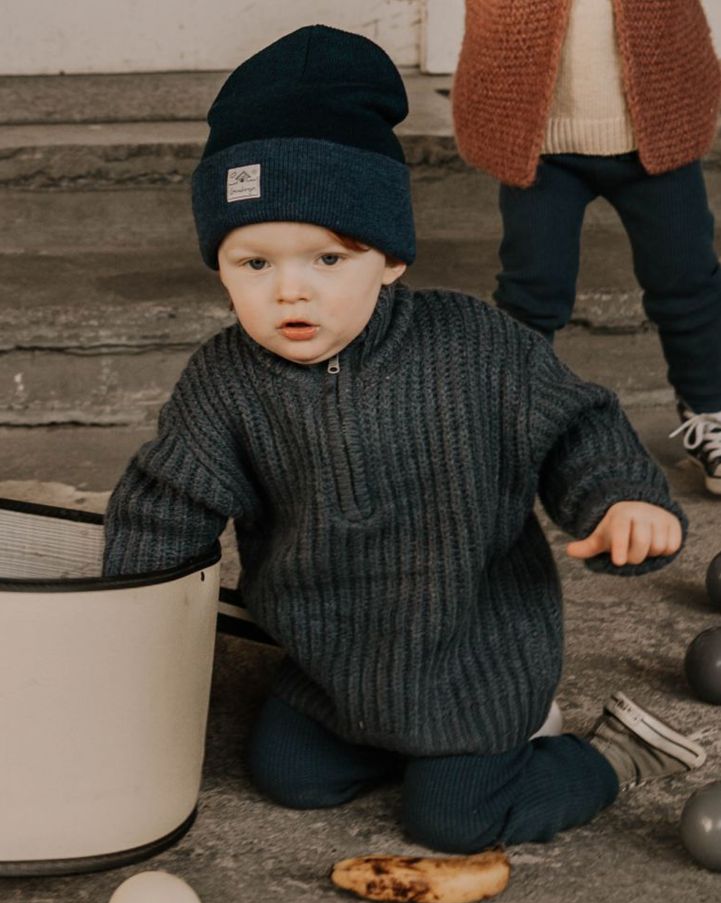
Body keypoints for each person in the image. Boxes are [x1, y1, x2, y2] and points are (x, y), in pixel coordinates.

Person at [103, 25, 706, 855]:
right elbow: (170, 500)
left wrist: (620, 498)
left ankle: (606, 756)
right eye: (254, 263)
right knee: (288, 777)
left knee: (453, 822)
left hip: (471, 652)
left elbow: (575, 423)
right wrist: (120, 613)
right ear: (220, 266)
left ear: (387, 258)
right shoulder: (225, 380)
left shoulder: (472, 345)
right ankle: (406, 742)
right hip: (333, 662)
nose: (290, 291)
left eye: (326, 257)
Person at [452, 0, 721, 494]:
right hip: (544, 146)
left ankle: (709, 408)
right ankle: (512, 422)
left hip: (656, 135)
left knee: (687, 279)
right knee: (532, 290)